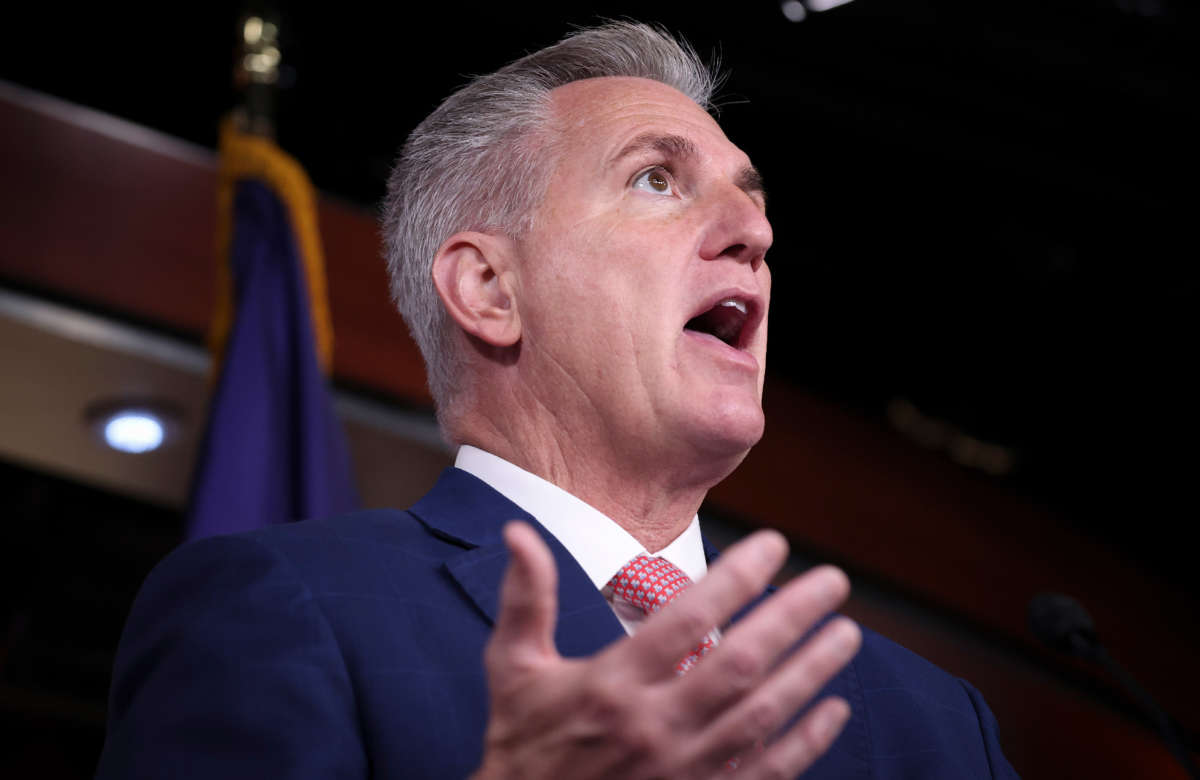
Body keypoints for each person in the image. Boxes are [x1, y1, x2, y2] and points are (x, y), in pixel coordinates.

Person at [97, 22, 1018, 779]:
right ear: (491, 289)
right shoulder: (279, 611)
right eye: (656, 179)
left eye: (751, 199)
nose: (755, 233)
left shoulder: (937, 725)